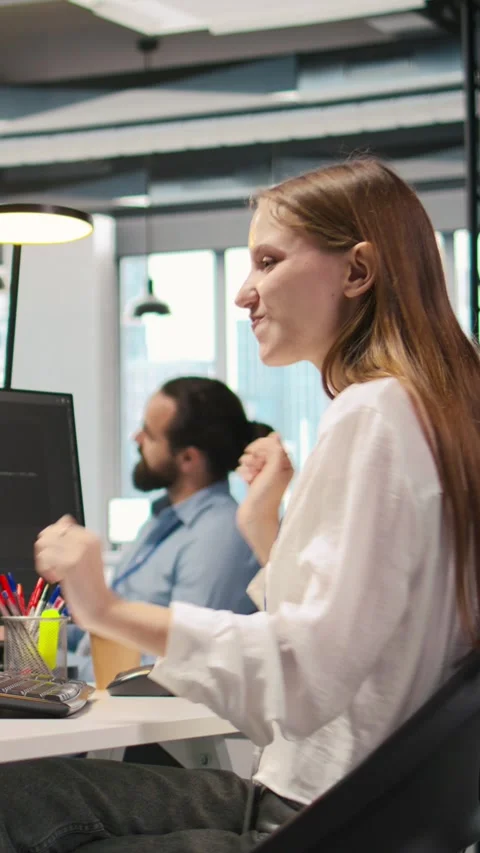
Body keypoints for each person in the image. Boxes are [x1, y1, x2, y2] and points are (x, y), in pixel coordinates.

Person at [1, 157, 480, 853]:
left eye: (267, 260)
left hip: (310, 818)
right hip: (356, 811)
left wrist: (103, 606)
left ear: (356, 272)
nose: (244, 293)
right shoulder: (435, 413)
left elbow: (305, 677)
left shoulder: (375, 413)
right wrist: (268, 531)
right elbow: (365, 637)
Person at [69, 376, 273, 681]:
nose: (136, 438)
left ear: (188, 458)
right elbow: (94, 635)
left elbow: (177, 664)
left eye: (149, 435)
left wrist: (64, 669)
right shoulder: (162, 519)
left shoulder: (218, 538)